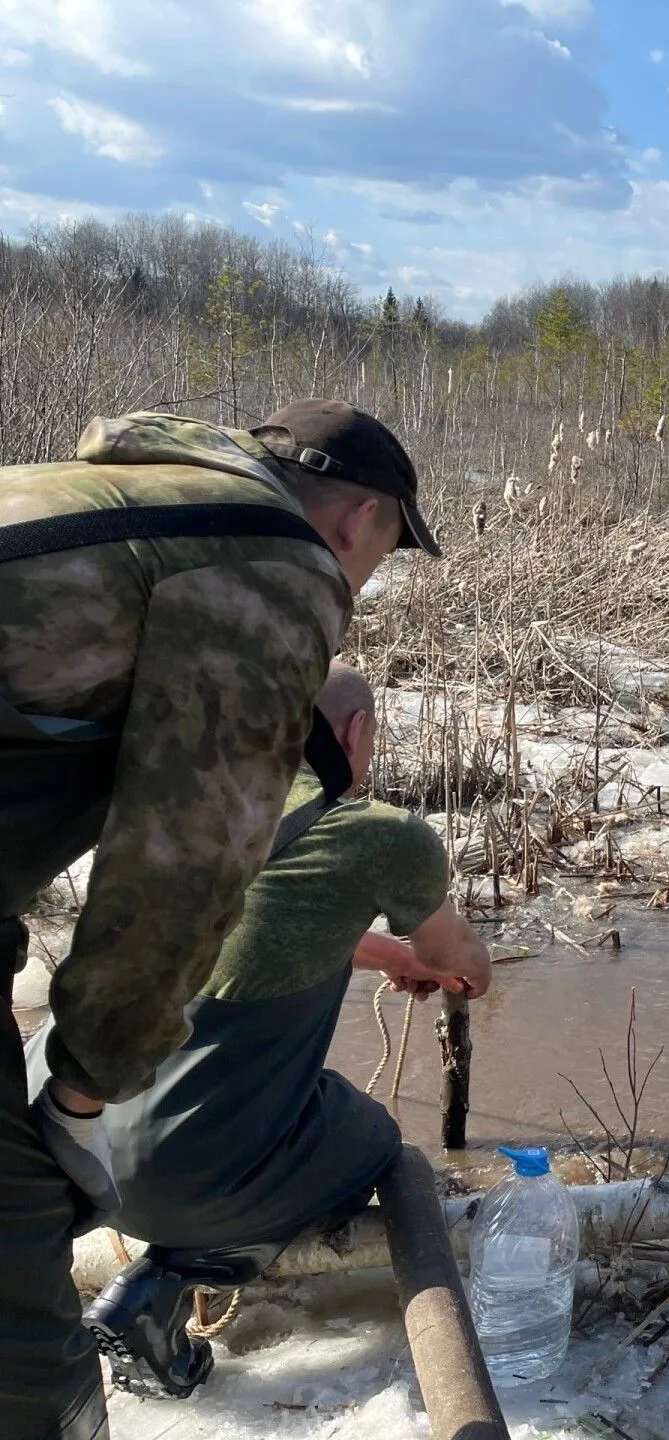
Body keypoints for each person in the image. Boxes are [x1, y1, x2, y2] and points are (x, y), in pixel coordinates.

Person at [0, 400, 433, 1437]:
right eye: (386, 550)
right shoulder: (274, 563)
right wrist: (81, 1098)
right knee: (20, 1328)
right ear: (357, 519)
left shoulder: (114, 491)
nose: (365, 582)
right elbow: (178, 877)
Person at [29, 664, 493, 1399]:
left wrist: (386, 954)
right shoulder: (375, 834)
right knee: (372, 1141)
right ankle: (170, 1279)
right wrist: (451, 965)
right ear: (358, 732)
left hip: (48, 1138)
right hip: (162, 1176)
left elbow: (240, 920)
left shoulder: (186, 804)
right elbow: (462, 963)